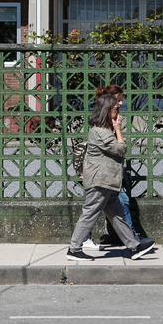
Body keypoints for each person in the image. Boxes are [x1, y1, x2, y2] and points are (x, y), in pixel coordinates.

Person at [66, 92, 155, 262]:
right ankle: (74, 249)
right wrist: (118, 129)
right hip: (100, 181)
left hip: (105, 181)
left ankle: (134, 246)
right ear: (107, 110)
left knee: (117, 215)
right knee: (90, 213)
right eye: (115, 108)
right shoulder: (101, 132)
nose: (118, 112)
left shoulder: (102, 130)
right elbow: (120, 149)